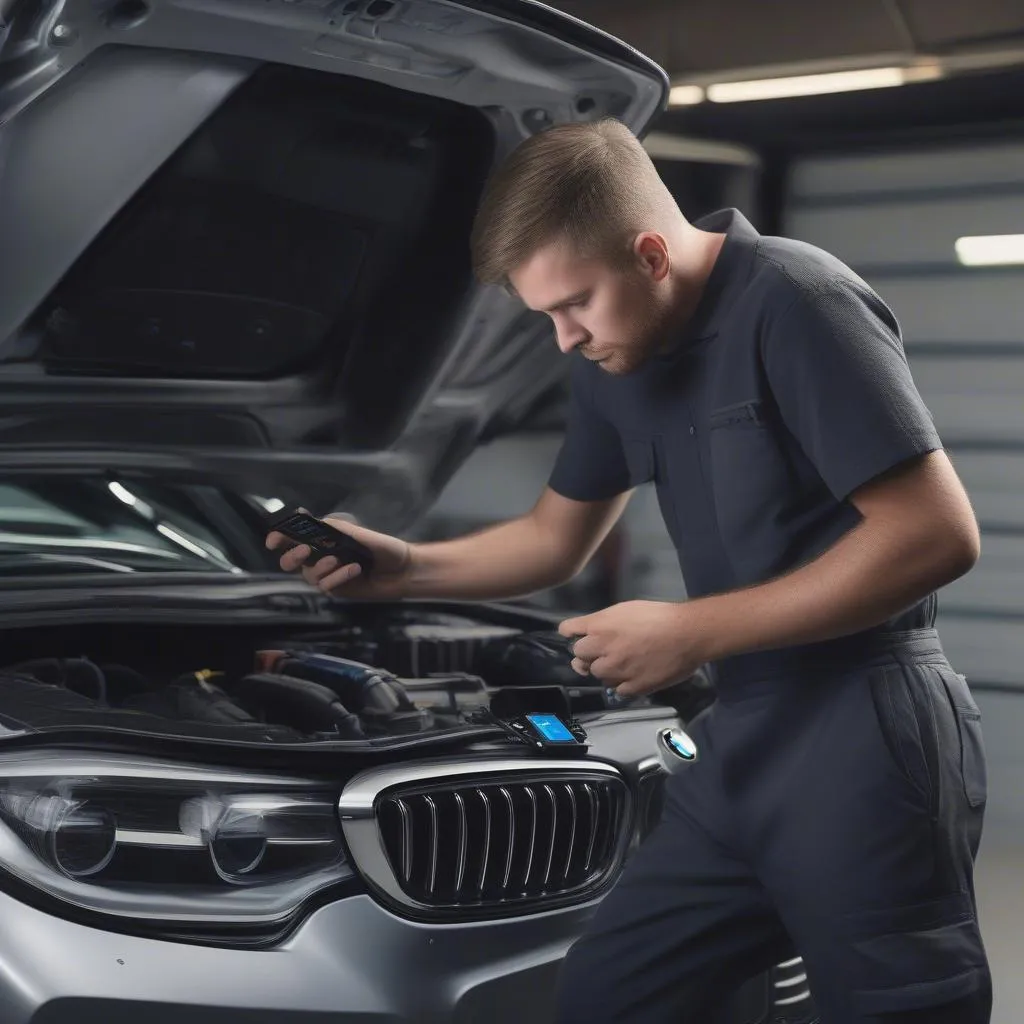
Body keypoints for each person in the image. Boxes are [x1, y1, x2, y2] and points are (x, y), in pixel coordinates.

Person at [267, 118, 991, 1024]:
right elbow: (551, 540)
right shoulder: (619, 359)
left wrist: (689, 631)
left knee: (898, 1009)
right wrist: (402, 567)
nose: (564, 338)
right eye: (545, 316)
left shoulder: (799, 301)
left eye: (574, 304)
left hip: (866, 731)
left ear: (651, 253)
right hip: (741, 738)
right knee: (614, 993)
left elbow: (935, 536)